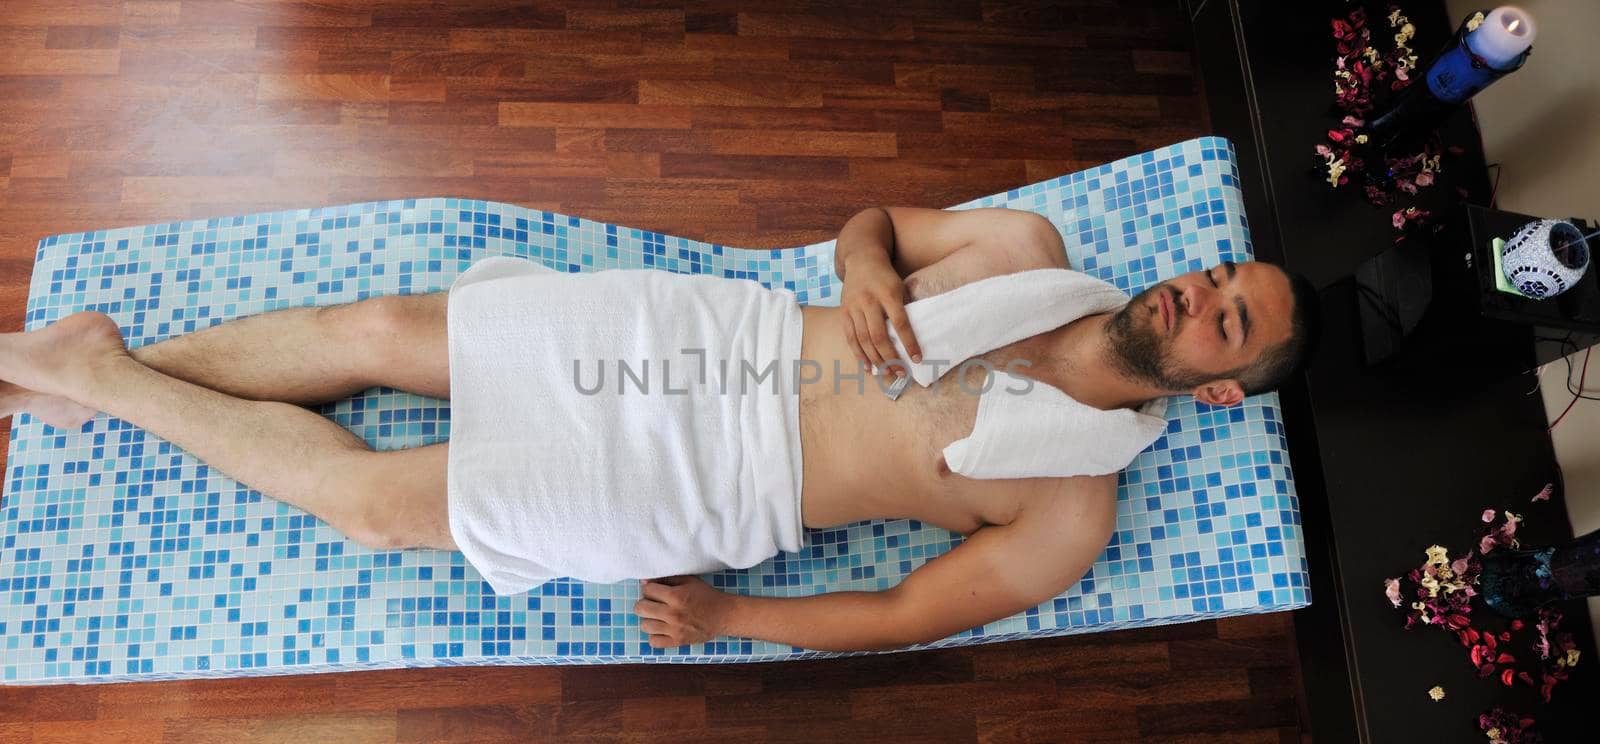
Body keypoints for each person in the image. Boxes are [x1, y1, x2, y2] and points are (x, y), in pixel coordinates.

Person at [0, 206, 1318, 653]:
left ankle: (87, 376)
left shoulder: (1072, 512)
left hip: (708, 480)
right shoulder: (1026, 247)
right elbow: (874, 228)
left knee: (381, 505)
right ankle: (85, 371)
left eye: (1226, 323)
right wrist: (863, 268)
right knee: (397, 331)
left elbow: (906, 614)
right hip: (719, 336)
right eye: (1216, 278)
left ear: (1218, 388)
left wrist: (733, 620)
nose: (1195, 296)